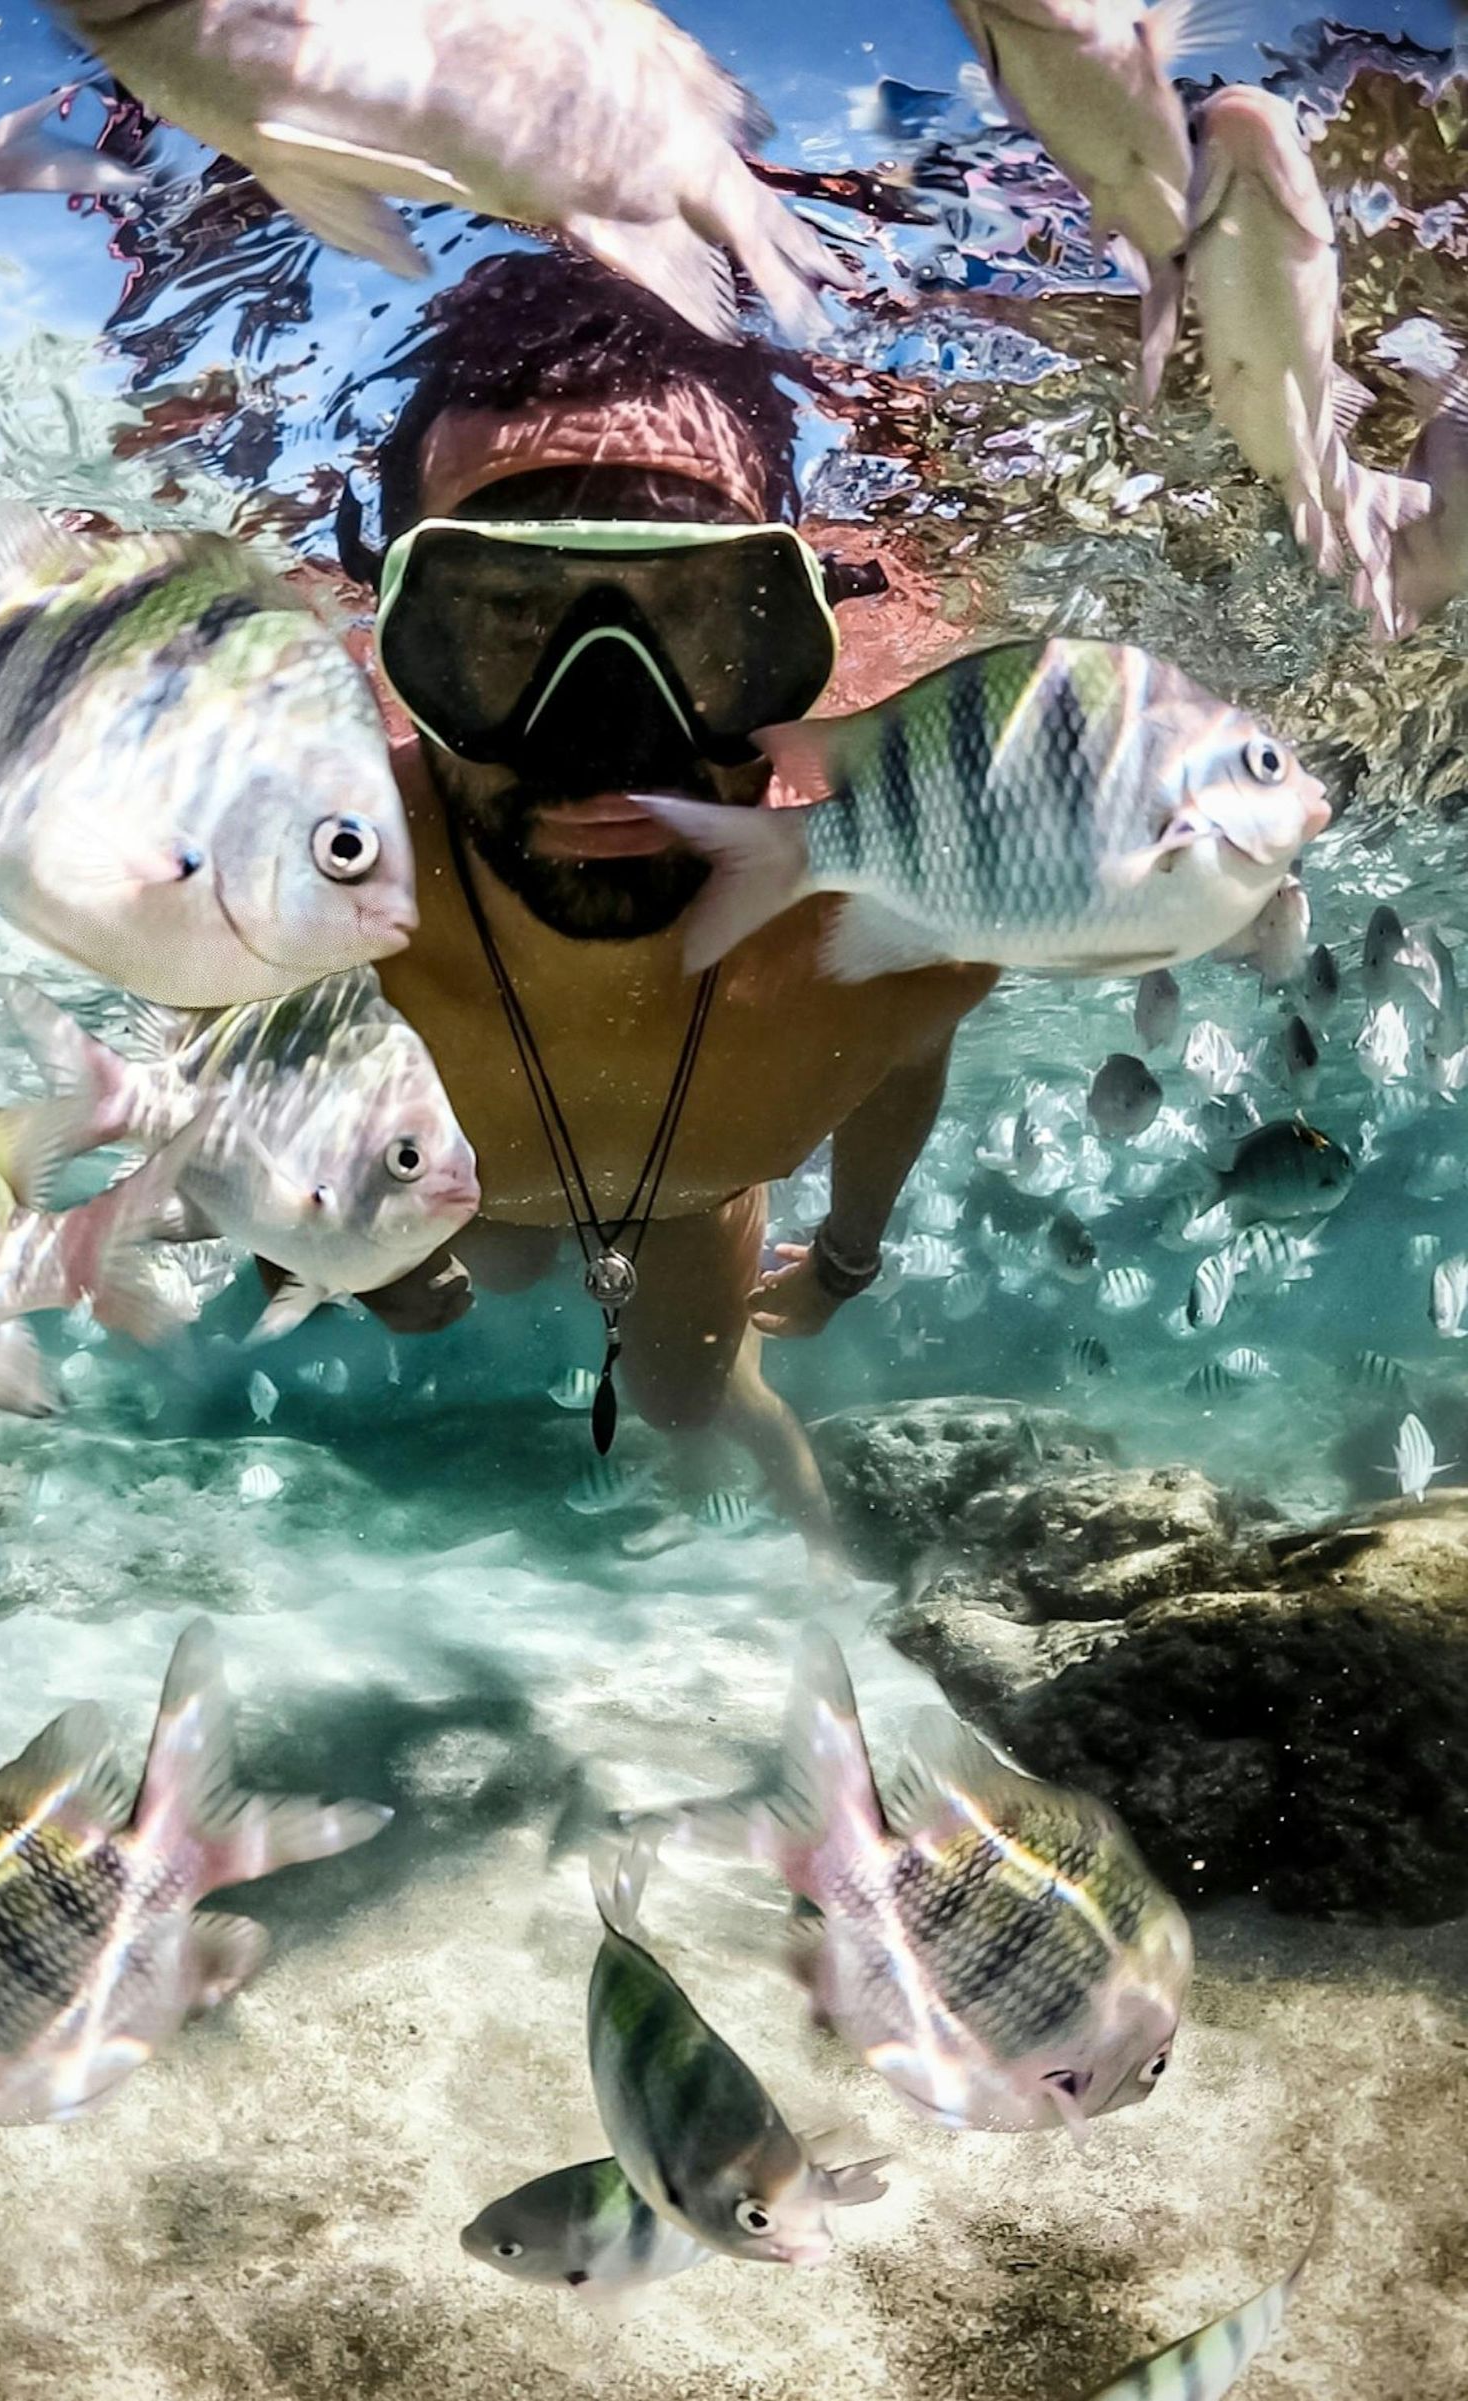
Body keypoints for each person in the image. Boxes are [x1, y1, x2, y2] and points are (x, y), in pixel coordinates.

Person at [339, 250, 996, 1544]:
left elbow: (903, 1064)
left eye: (699, 627)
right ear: (403, 648)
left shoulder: (902, 906)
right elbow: (227, 1089)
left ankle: (820, 1585)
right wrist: (330, 1239)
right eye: (502, 626)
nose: (603, 748)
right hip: (466, 1192)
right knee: (503, 1251)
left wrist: (851, 1253)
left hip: (689, 1205)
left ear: (794, 638)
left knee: (695, 1397)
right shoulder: (302, 882)